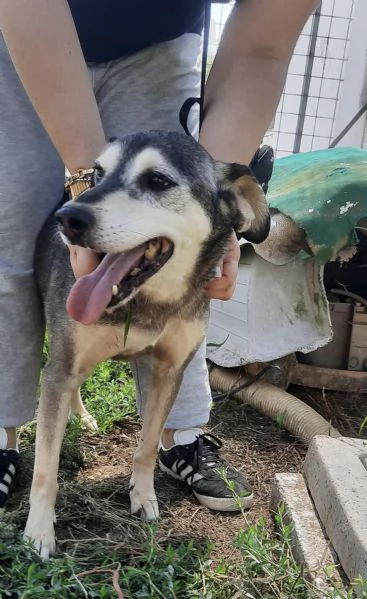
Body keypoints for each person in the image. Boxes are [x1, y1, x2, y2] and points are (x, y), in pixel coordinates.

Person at [0, 0, 316, 512]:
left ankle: (179, 435)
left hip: (159, 46)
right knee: (7, 243)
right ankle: (2, 434)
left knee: (184, 265)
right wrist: (89, 191)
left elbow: (262, 46)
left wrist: (214, 211)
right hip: (19, 35)